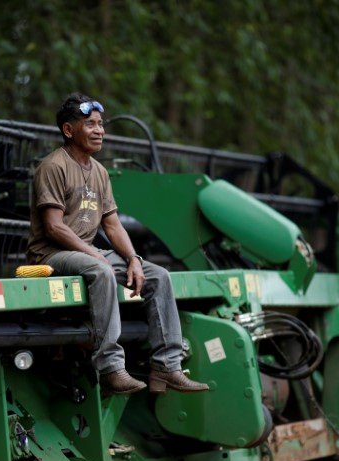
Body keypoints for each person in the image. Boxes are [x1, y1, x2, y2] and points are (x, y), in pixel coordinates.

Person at [27, 93, 209, 395]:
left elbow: (112, 224)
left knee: (158, 276)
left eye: (101, 124)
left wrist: (134, 258)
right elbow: (54, 226)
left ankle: (166, 366)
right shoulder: (53, 166)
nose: (99, 130)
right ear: (69, 130)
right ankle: (111, 366)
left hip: (86, 252)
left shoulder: (99, 172)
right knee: (101, 270)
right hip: (50, 255)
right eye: (90, 124)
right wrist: (94, 255)